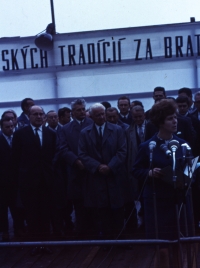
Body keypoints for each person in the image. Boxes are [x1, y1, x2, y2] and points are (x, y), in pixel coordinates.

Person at [132, 99, 194, 268]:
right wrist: (149, 173)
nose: (174, 121)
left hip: (178, 202)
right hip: (157, 203)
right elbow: (136, 170)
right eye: (169, 118)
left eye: (175, 117)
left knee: (177, 246)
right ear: (160, 122)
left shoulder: (183, 145)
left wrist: (187, 179)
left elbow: (191, 171)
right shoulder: (148, 146)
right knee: (161, 249)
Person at [12, 105, 56, 255]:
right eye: (35, 114)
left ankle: (45, 243)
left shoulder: (50, 134)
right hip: (28, 182)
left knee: (45, 213)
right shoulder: (20, 134)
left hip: (46, 181)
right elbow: (16, 158)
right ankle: (34, 244)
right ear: (29, 116)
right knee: (31, 214)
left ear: (44, 116)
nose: (38, 116)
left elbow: (53, 156)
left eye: (40, 114)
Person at [78, 103, 127, 239]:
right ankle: (106, 240)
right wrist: (98, 166)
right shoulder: (85, 133)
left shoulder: (117, 130)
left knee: (118, 208)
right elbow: (82, 154)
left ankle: (121, 239)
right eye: (97, 115)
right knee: (101, 210)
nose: (101, 117)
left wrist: (110, 166)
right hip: (96, 177)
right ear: (91, 116)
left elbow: (122, 151)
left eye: (102, 114)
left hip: (114, 175)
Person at [57, 99, 93, 238]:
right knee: (79, 204)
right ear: (72, 112)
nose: (81, 112)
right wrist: (76, 160)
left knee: (94, 203)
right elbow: (62, 148)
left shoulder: (92, 124)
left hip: (92, 170)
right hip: (75, 172)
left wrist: (91, 163)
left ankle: (96, 232)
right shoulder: (65, 129)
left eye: (83, 109)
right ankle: (82, 232)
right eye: (78, 110)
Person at [0, 119, 16, 241]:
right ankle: (5, 231)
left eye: (12, 126)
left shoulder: (16, 138)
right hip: (2, 180)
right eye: (7, 127)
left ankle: (18, 228)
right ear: (2, 128)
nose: (10, 129)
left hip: (15, 179)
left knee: (16, 206)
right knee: (2, 207)